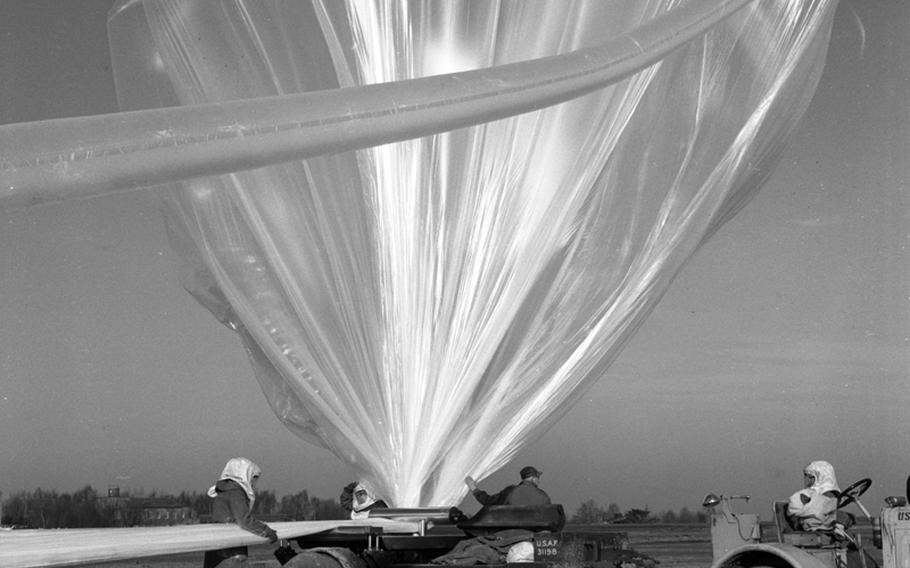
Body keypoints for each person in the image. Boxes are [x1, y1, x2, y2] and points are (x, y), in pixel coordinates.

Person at [203, 457, 279, 568]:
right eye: (254, 478)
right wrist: (268, 532)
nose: (254, 483)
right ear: (245, 474)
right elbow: (244, 521)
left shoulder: (223, 494)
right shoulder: (236, 494)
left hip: (217, 550)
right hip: (231, 552)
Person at [787, 460, 840, 531]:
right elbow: (794, 508)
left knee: (847, 517)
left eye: (810, 477)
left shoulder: (832, 495)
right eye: (807, 476)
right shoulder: (804, 495)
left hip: (827, 526)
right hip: (814, 529)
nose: (807, 480)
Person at [465, 466, 551, 507]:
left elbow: (488, 502)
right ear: (532, 478)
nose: (539, 481)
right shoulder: (542, 496)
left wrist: (474, 489)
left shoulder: (510, 491)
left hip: (508, 533)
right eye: (537, 477)